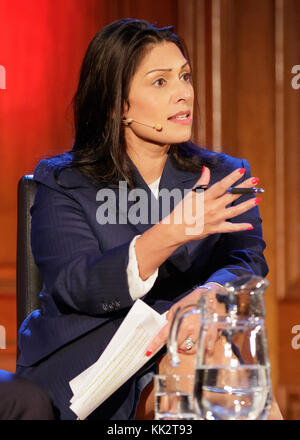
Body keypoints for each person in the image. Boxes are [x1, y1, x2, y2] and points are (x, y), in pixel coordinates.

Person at [15, 18, 278, 420]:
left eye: (185, 77)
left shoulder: (231, 173)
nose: (183, 94)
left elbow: (249, 260)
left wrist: (208, 298)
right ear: (119, 105)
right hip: (96, 361)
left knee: (216, 373)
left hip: (190, 347)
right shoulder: (61, 180)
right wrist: (172, 232)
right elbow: (76, 284)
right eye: (160, 82)